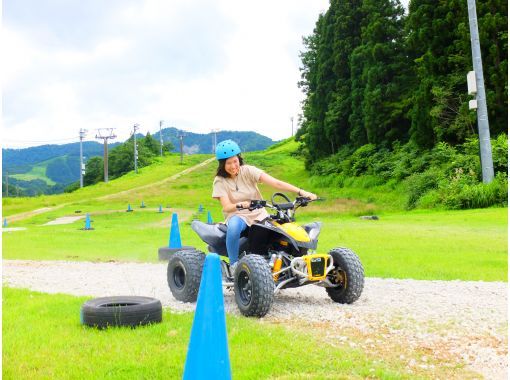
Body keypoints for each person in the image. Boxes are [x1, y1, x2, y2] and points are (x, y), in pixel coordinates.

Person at [212, 139, 317, 270]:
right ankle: (234, 265)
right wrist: (242, 204)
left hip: (259, 213)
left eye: (235, 161)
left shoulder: (248, 171)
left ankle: (282, 263)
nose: (233, 166)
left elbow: (276, 183)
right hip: (238, 215)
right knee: (233, 228)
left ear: (239, 159)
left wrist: (302, 192)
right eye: (228, 163)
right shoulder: (220, 181)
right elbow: (226, 206)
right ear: (222, 164)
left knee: (278, 230)